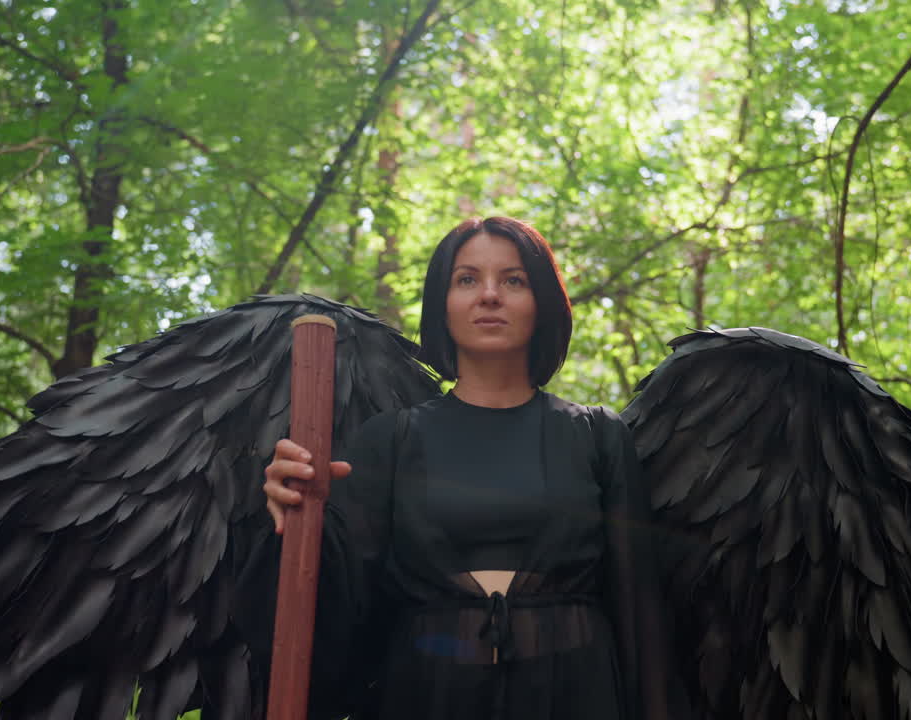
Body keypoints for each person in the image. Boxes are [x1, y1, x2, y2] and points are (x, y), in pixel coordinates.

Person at [262, 216, 685, 719]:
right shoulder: (389, 439)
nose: (489, 295)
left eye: (513, 280)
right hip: (422, 696)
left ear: (541, 303)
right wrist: (287, 511)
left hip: (577, 694)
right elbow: (332, 606)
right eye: (467, 279)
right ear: (442, 305)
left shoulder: (597, 435)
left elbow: (641, 616)